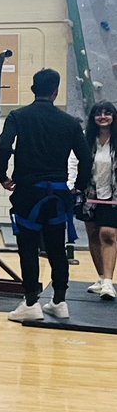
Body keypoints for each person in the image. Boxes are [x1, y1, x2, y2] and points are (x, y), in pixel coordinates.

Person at [0, 69, 91, 323]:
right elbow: (86, 157)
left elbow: (4, 146)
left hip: (28, 192)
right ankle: (60, 301)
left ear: (32, 89)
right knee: (57, 248)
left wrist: (2, 176)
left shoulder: (18, 116)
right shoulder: (70, 122)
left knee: (28, 247)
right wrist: (78, 187)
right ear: (56, 91)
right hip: (59, 194)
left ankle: (30, 302)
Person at [81, 100, 117, 300]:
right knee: (94, 235)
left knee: (108, 234)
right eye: (99, 113)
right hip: (90, 195)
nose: (103, 117)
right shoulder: (87, 140)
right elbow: (75, 162)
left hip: (113, 197)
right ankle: (102, 278)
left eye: (107, 113)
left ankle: (109, 283)